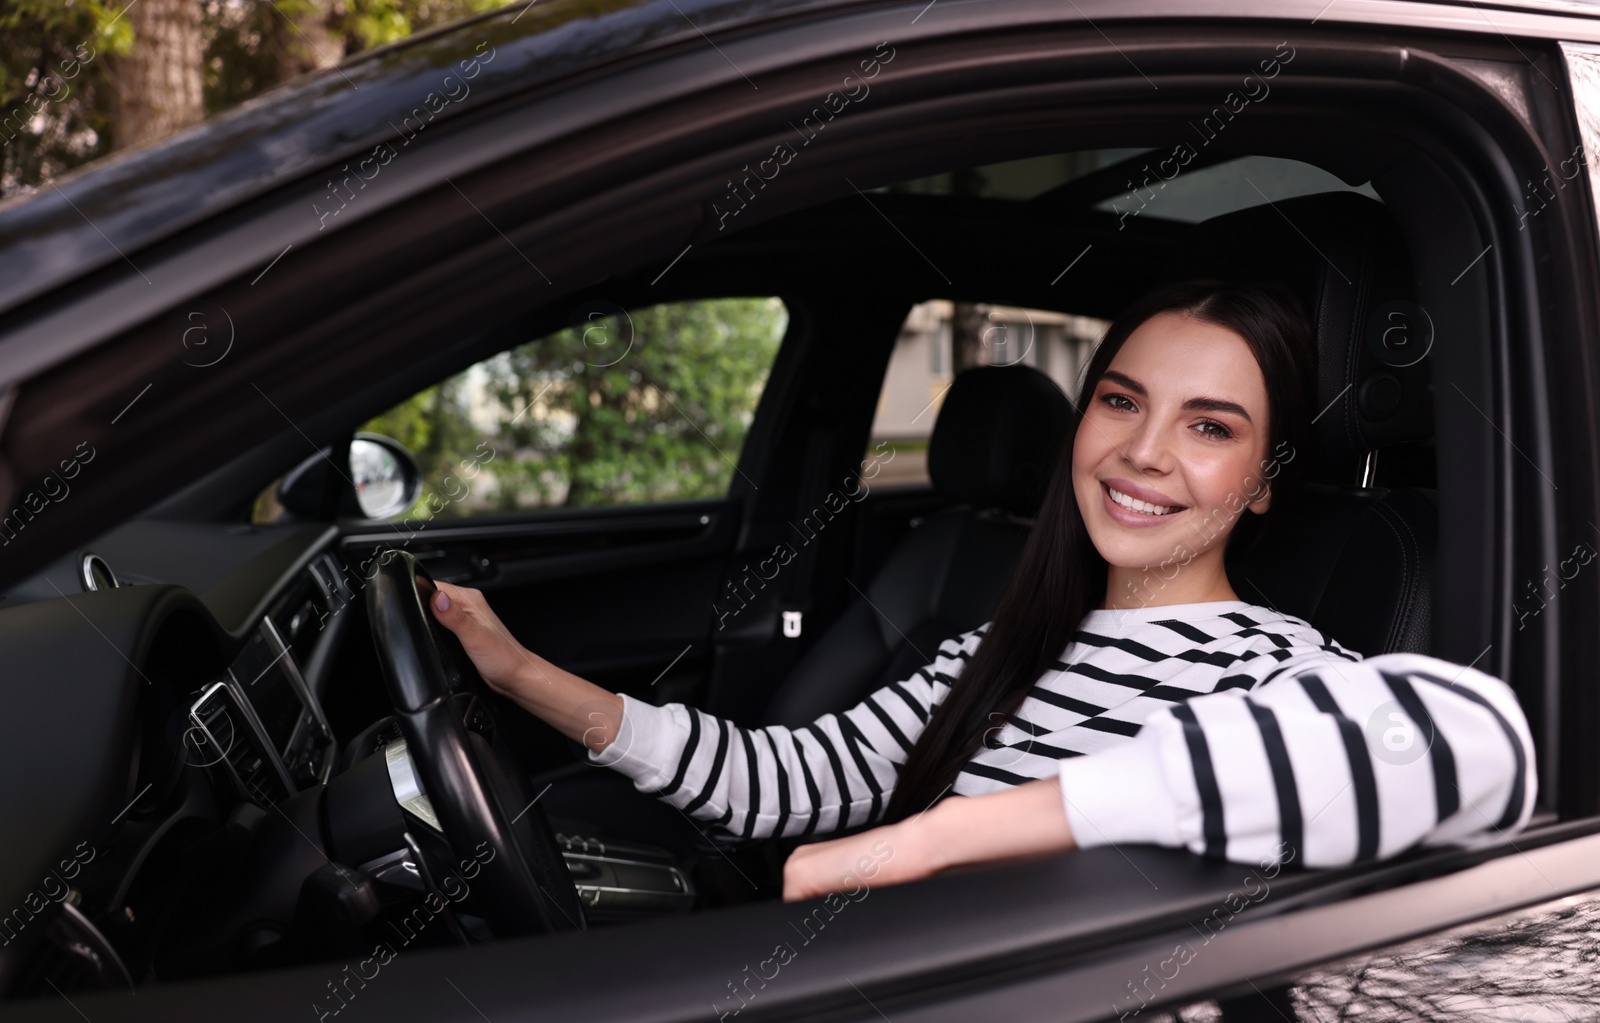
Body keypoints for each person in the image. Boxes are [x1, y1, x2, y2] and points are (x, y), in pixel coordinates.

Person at [427, 279, 1536, 903]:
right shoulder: (1000, 645)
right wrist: (521, 673)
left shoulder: (1272, 669)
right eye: (1118, 401)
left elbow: (1478, 744)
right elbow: (781, 784)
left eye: (1209, 427)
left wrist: (933, 839)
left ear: (1263, 485)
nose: (1141, 452)